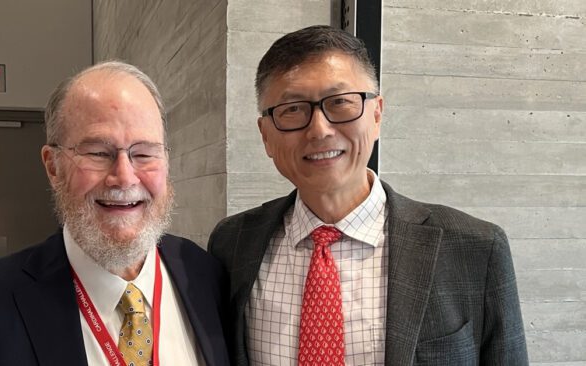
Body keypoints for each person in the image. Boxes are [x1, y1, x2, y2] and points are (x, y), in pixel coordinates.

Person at [208, 25, 528, 365]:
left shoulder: (474, 248)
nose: (319, 130)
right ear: (266, 135)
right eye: (292, 110)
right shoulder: (232, 244)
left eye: (341, 103)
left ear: (376, 114)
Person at [0, 61, 229, 366]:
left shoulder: (206, 275)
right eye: (97, 152)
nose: (124, 177)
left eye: (144, 153)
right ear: (53, 166)